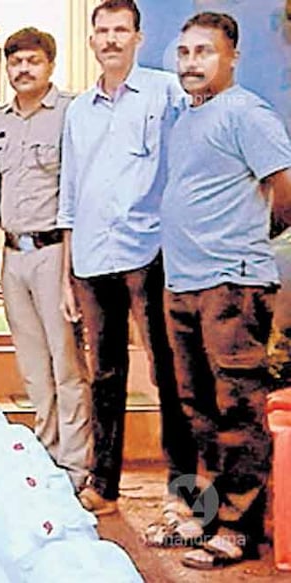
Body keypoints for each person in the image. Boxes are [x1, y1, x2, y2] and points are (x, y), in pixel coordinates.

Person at [159, 12, 291, 569]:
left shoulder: (246, 113)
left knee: (238, 409)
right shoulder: (188, 117)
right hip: (184, 282)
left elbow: (284, 188)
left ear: (232, 56)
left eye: (205, 52)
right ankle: (209, 516)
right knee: (199, 411)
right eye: (184, 52)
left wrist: (248, 243)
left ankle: (239, 529)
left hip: (231, 284)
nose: (192, 62)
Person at [57, 0, 197, 518]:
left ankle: (184, 487)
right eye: (103, 31)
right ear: (92, 40)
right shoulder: (78, 110)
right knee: (105, 376)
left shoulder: (167, 93)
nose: (111, 39)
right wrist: (68, 271)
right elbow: (70, 192)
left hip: (151, 252)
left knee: (169, 371)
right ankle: (104, 485)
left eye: (121, 30)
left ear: (138, 37)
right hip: (93, 257)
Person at [0, 28, 91, 488]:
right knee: (32, 366)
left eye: (33, 61)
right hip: (14, 257)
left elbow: (79, 194)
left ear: (50, 65)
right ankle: (47, 455)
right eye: (16, 62)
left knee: (67, 365)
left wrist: (70, 274)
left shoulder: (73, 114)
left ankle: (77, 466)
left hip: (55, 255)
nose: (23, 69)